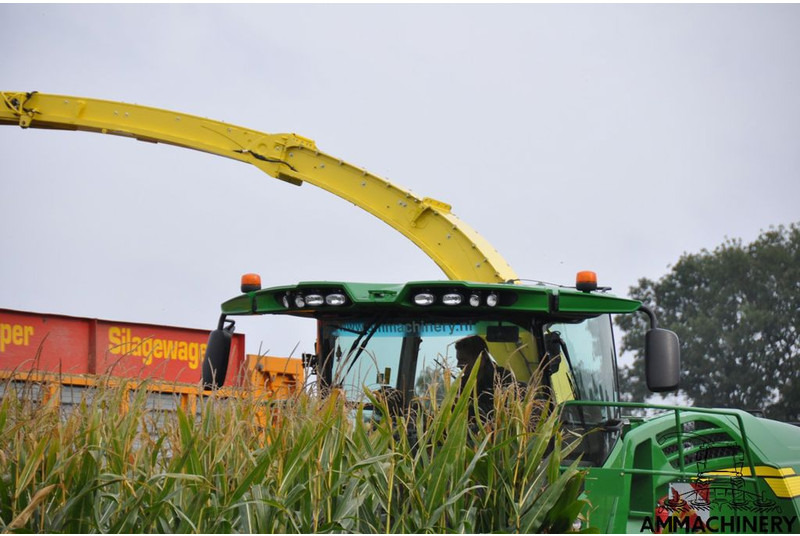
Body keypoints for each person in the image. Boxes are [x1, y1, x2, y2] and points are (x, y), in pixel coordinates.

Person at [455, 335, 525, 417]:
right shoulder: (462, 385)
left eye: (463, 360)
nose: (458, 365)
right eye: (458, 360)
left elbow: (507, 412)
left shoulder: (503, 379)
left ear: (482, 357)